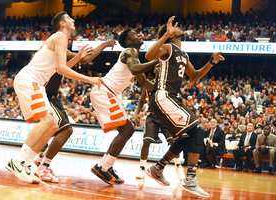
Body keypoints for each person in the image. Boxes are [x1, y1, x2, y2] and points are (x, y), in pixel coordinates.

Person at [5, 11, 101, 184]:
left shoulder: (61, 40)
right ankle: (18, 161)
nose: (74, 20)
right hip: (30, 79)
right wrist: (89, 79)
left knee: (53, 124)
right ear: (62, 24)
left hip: (36, 82)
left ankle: (26, 162)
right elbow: (63, 70)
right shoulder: (60, 37)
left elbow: (58, 68)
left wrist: (78, 57)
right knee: (46, 121)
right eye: (69, 19)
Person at [144, 16, 224, 197]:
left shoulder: (183, 54)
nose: (179, 28)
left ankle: (158, 168)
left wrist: (211, 62)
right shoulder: (168, 47)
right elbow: (149, 55)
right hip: (162, 95)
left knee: (188, 136)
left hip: (171, 97)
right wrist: (165, 35)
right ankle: (190, 179)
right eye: (173, 28)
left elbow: (194, 75)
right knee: (198, 130)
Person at [33, 39, 117, 183]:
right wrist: (104, 44)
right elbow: (86, 60)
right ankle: (41, 167)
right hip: (44, 95)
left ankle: (40, 159)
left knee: (57, 130)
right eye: (68, 36)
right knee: (66, 130)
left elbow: (80, 60)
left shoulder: (60, 51)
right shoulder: (56, 50)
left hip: (52, 96)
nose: (70, 38)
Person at [90, 28, 159, 185]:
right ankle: (105, 168)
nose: (139, 34)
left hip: (108, 93)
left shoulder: (135, 59)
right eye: (135, 34)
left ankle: (101, 166)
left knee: (125, 130)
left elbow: (145, 83)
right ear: (128, 42)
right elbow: (135, 70)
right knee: (127, 130)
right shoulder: (130, 51)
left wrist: (163, 86)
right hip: (105, 91)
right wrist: (158, 60)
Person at [134, 66, 182, 180]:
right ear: (154, 70)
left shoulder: (169, 85)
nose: (158, 68)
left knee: (173, 141)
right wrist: (136, 113)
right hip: (152, 115)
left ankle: (178, 166)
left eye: (161, 66)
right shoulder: (148, 84)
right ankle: (142, 168)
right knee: (146, 141)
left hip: (166, 116)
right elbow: (141, 101)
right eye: (157, 66)